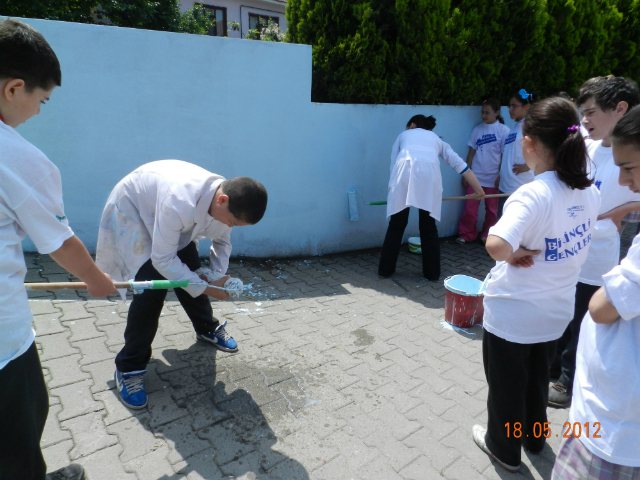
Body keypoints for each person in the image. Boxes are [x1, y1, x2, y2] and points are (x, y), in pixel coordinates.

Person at [0, 19, 117, 480]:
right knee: (20, 430)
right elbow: (60, 242)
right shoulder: (17, 157)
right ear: (14, 88)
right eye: (41, 100)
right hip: (4, 341)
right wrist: (97, 279)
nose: (39, 112)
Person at [472, 97, 600, 472]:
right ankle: (533, 436)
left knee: (508, 387)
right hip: (556, 311)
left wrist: (513, 254)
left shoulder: (533, 193)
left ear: (529, 143)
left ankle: (504, 449)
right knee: (536, 382)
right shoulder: (587, 190)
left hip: (514, 314)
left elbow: (496, 245)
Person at [96, 160, 267, 409]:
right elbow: (163, 259)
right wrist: (207, 287)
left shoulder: (224, 202)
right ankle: (129, 369)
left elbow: (222, 243)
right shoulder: (180, 201)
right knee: (151, 289)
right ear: (222, 201)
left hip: (167, 216)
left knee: (191, 269)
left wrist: (215, 277)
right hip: (134, 209)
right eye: (232, 223)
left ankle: (206, 328)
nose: (230, 227)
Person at [552, 106, 640, 479]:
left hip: (613, 422)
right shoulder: (589, 152)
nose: (622, 179)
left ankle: (564, 377)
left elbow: (604, 308)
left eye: (630, 168)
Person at [378, 114, 485, 281]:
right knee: (428, 227)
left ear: (411, 125)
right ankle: (432, 273)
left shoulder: (403, 135)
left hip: (403, 172)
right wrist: (479, 190)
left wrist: (394, 191)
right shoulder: (436, 139)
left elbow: (394, 164)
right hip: (429, 176)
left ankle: (385, 270)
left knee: (397, 224)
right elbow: (460, 165)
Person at [457, 99, 510, 245]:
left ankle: (488, 235)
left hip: (493, 179)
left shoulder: (503, 131)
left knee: (492, 210)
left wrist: (501, 175)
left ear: (497, 113)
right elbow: (471, 152)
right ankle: (467, 234)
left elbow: (506, 156)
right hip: (476, 177)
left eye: (487, 112)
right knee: (469, 209)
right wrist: (466, 172)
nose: (484, 115)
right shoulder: (477, 129)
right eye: (482, 112)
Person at [495, 89, 535, 217]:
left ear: (526, 107)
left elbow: (543, 149)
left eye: (514, 106)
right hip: (506, 185)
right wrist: (501, 174)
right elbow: (508, 153)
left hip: (519, 186)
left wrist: (528, 166)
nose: (510, 109)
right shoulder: (514, 127)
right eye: (509, 106)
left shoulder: (531, 126)